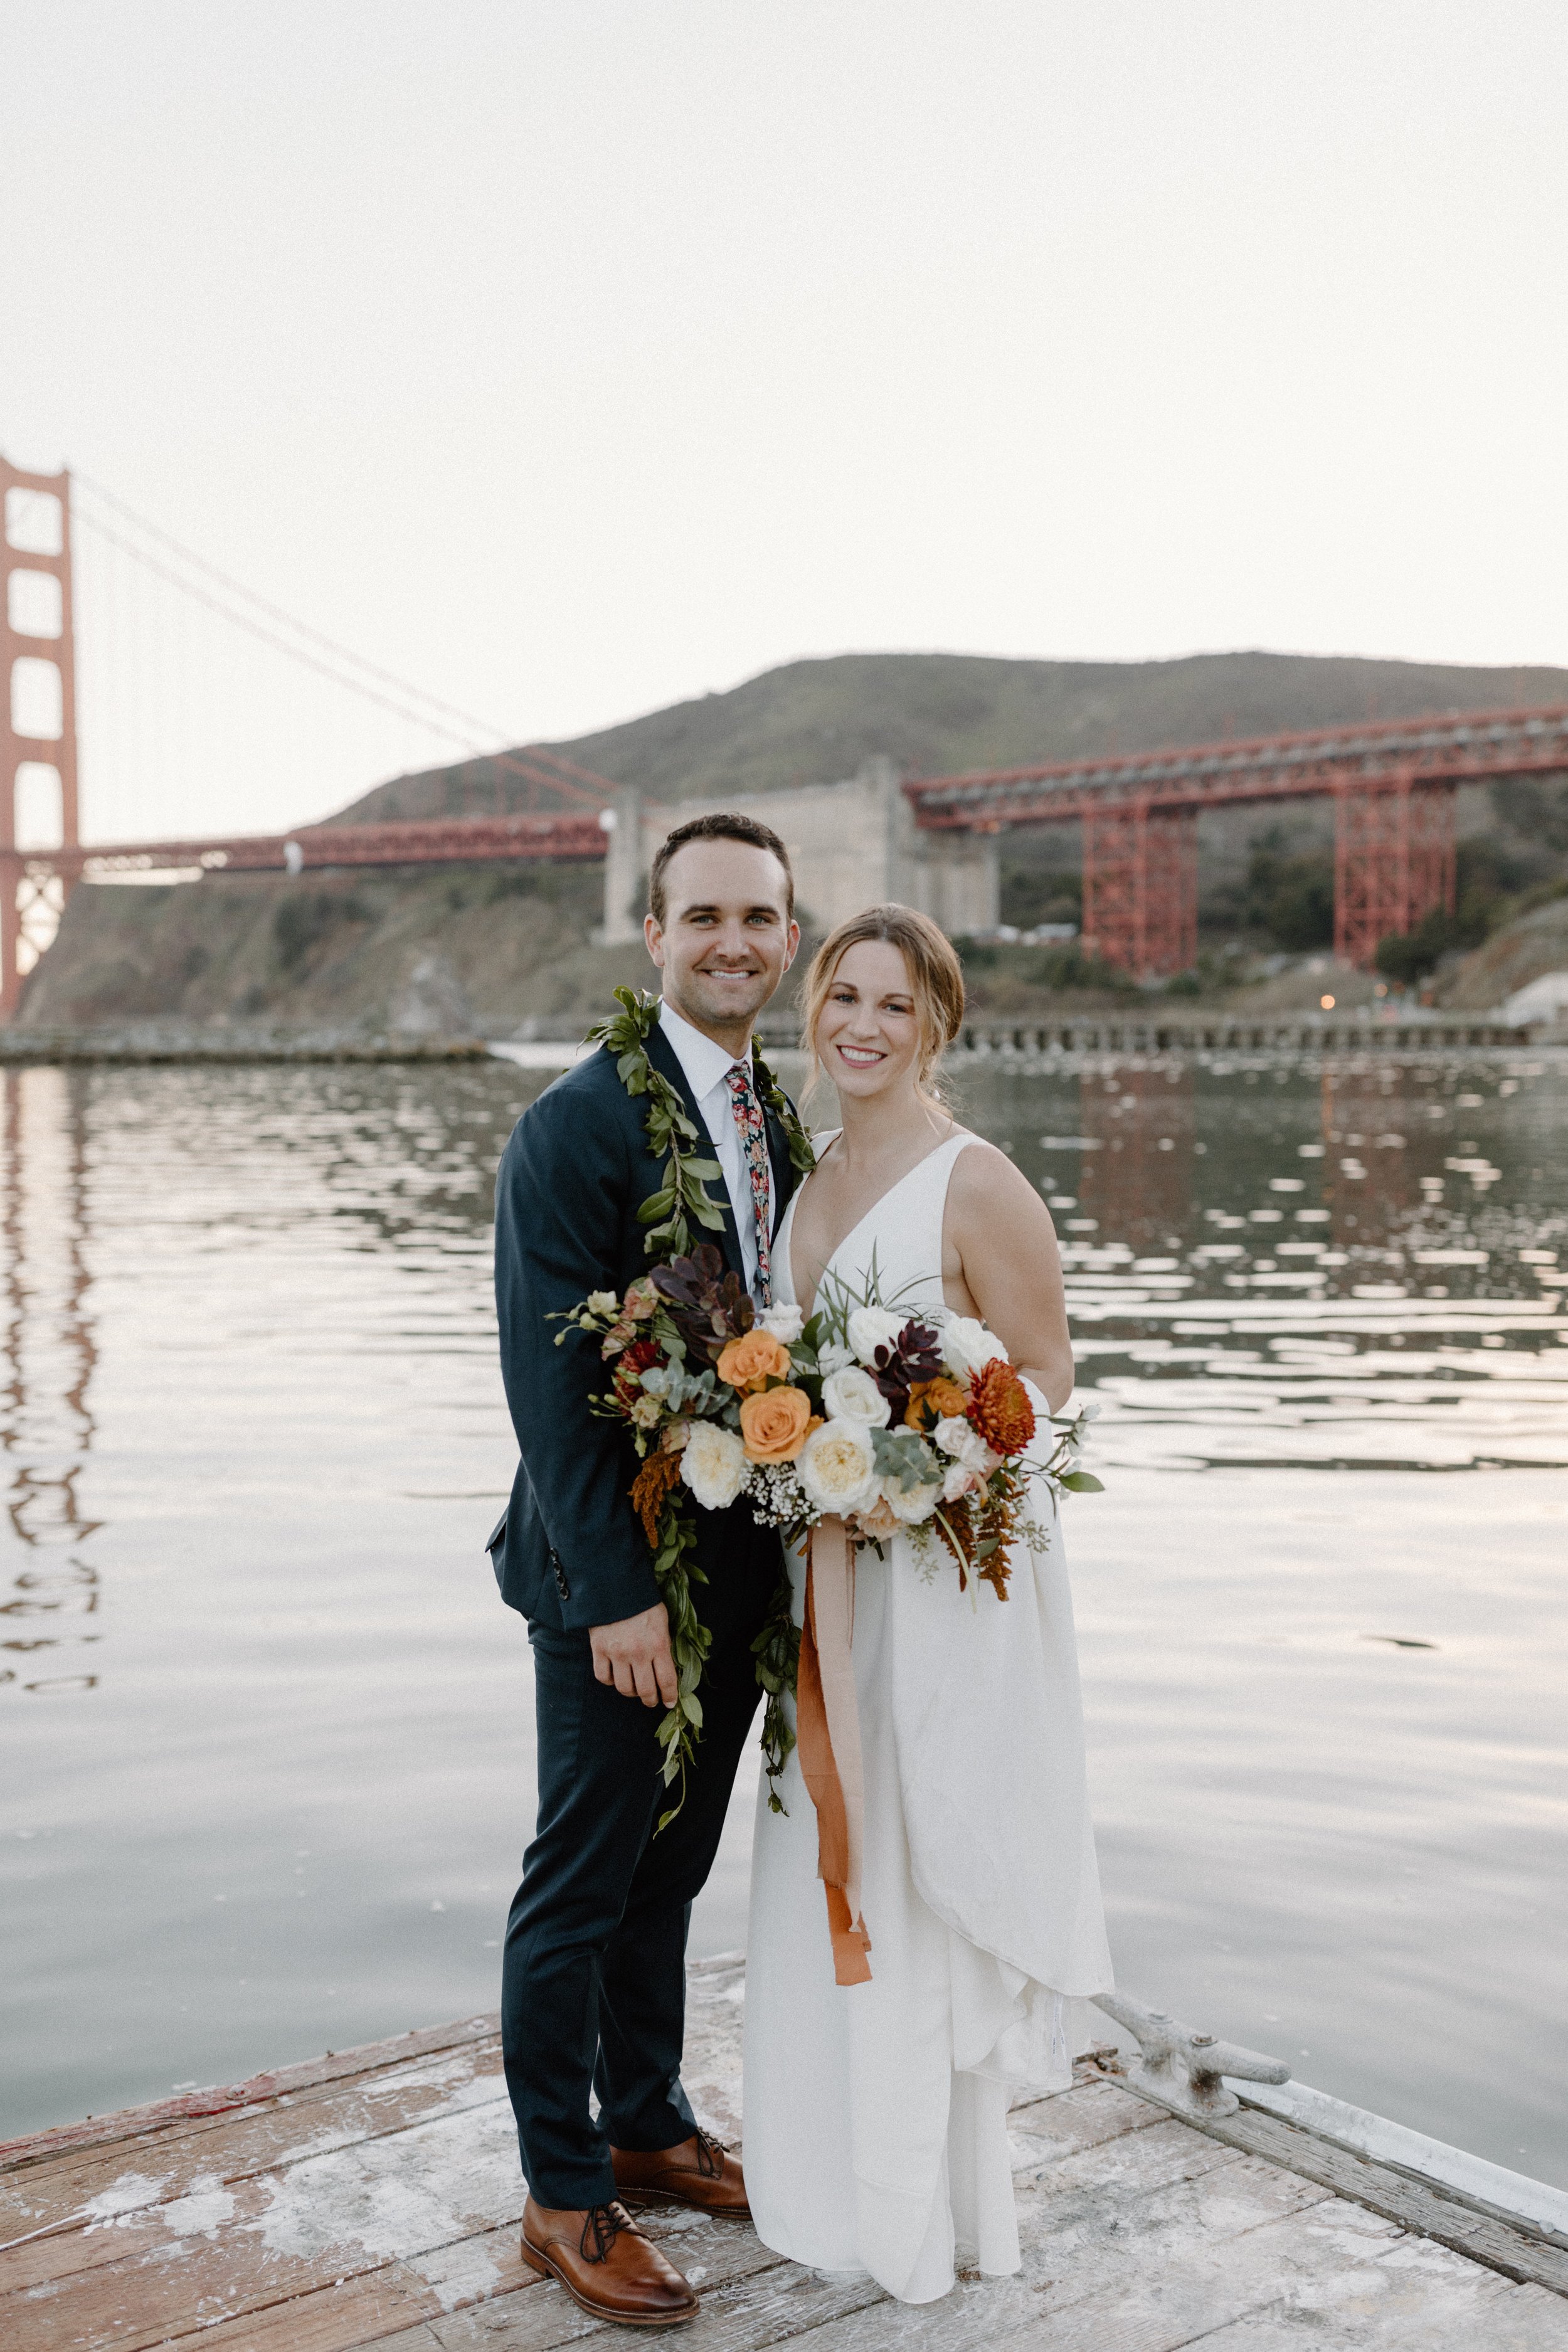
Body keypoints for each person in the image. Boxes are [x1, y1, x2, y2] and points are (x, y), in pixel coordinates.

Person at [742, 903, 1113, 2304]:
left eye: (894, 1005)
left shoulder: (976, 1182)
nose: (862, 1026)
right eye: (843, 996)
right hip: (823, 1585)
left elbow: (1043, 1379)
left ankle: (917, 2208)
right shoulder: (809, 1173)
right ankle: (819, 2185)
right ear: (812, 1008)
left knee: (907, 1858)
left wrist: (919, 1467)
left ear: (935, 1024)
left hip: (939, 1578)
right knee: (817, 1853)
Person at [489, 812, 802, 2328]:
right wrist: (617, 1591)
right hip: (613, 1581)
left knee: (668, 1874)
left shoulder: (770, 1116)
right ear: (653, 936)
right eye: (703, 918)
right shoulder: (577, 1124)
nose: (731, 941)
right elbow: (549, 1391)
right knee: (581, 1877)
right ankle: (562, 2194)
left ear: (787, 939)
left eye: (758, 917)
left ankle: (648, 2121)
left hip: (739, 1560)